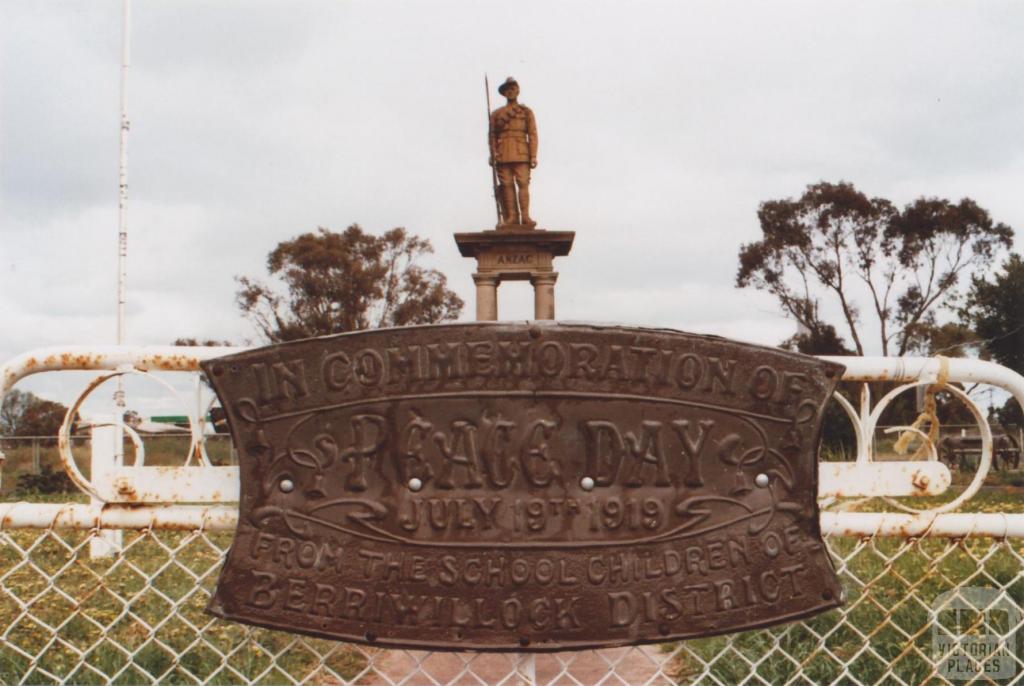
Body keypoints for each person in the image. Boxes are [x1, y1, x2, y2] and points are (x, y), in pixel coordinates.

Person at [489, 77, 538, 227]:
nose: (510, 91)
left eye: (512, 88)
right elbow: (492, 136)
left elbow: (533, 134)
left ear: (518, 90)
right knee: (507, 185)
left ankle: (525, 217)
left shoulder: (526, 111)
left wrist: (533, 155)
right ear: (504, 94)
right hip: (503, 153)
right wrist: (493, 153)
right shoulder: (497, 114)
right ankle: (511, 218)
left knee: (523, 183)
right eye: (506, 89)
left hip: (521, 152)